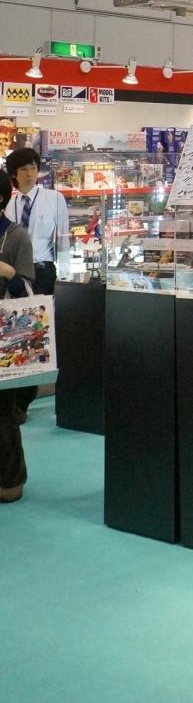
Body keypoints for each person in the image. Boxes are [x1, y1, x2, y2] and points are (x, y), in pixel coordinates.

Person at [0, 169, 35, 503]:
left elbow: (27, 296)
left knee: (2, 411)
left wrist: (8, 272)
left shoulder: (16, 237)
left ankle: (10, 480)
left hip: (5, 337)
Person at [4, 146, 68, 294]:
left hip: (43, 271)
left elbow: (63, 239)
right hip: (14, 273)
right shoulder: (8, 204)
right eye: (24, 169)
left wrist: (65, 274)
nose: (30, 174)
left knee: (43, 308)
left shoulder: (54, 199)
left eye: (33, 168)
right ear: (13, 173)